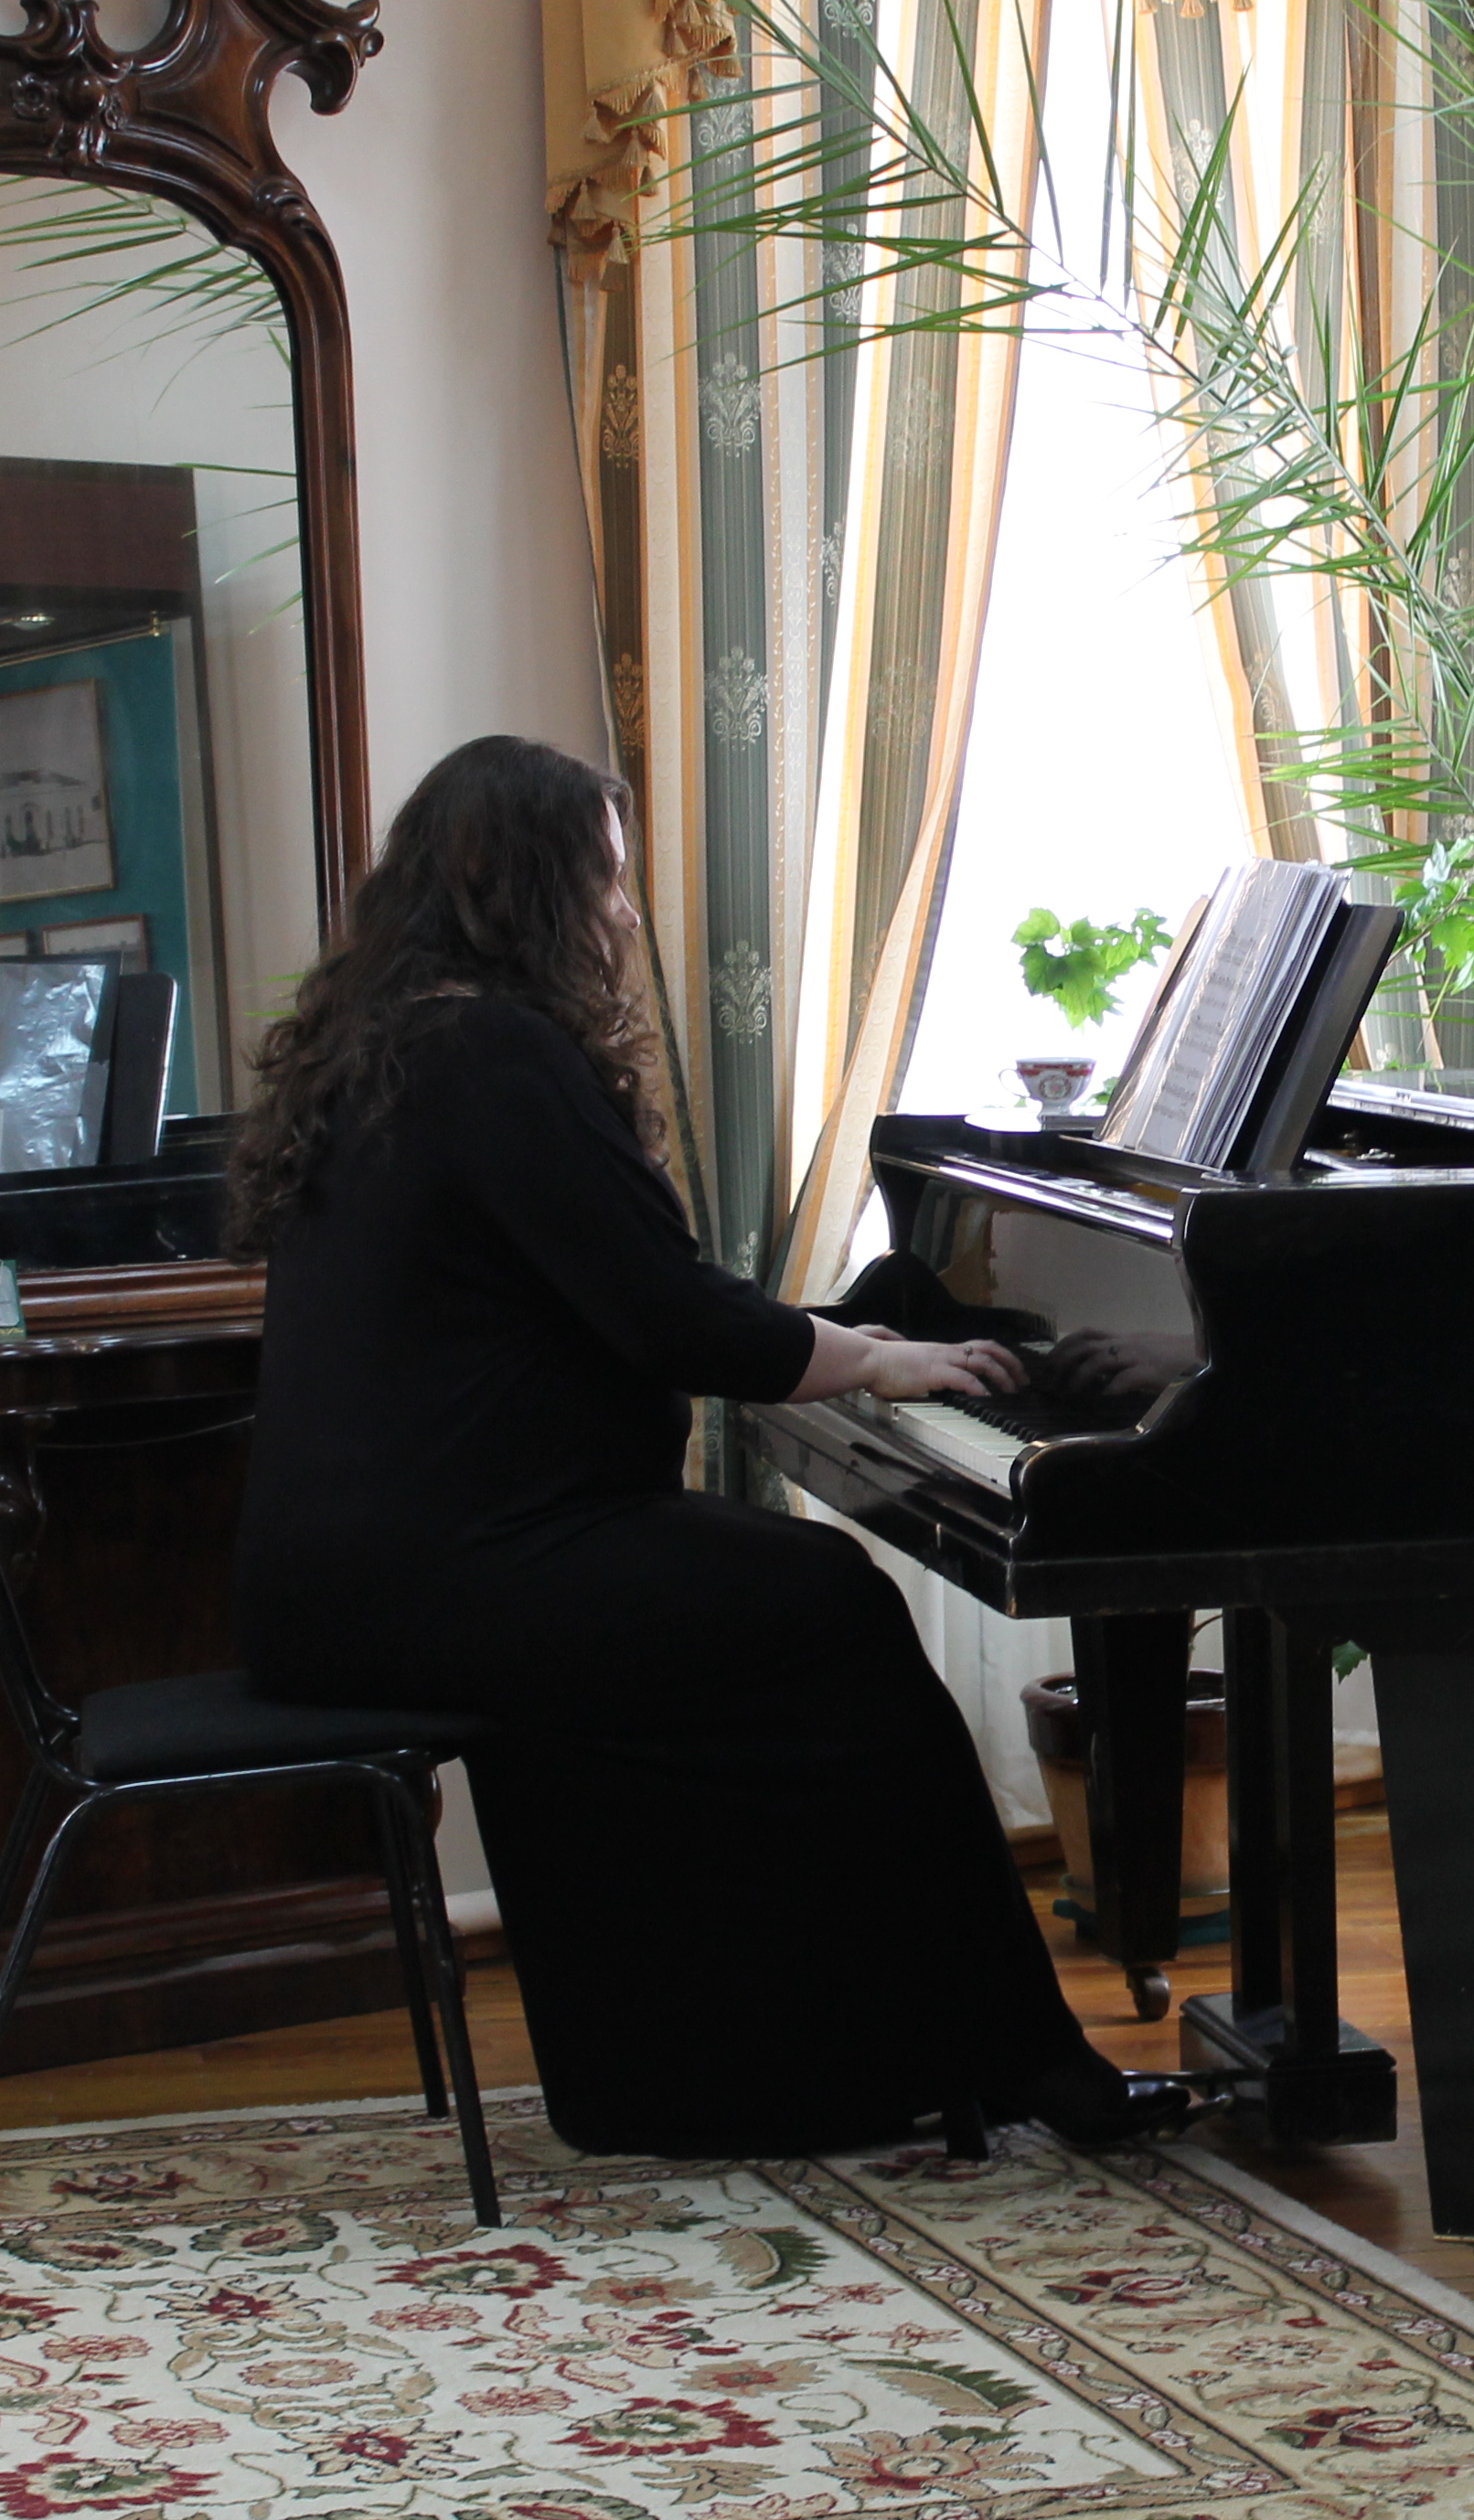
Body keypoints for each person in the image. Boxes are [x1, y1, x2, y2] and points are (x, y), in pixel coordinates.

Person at [227, 734, 1181, 2155]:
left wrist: (837, 1342)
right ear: (528, 891)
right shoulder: (494, 1054)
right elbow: (667, 1315)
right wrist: (879, 1356)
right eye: (605, 884)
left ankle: (755, 2067)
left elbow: (613, 1305)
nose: (622, 916)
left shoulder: (388, 1046)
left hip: (351, 1579)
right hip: (450, 1575)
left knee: (746, 1622)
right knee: (832, 1606)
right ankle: (1016, 2056)